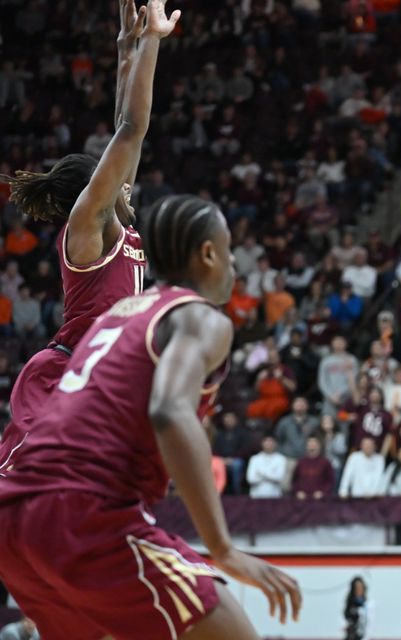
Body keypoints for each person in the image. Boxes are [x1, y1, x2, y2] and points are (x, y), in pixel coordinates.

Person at [0, 194, 301, 639]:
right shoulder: (201, 318)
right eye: (230, 249)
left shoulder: (117, 315)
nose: (235, 264)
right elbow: (169, 410)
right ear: (208, 254)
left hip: (13, 515)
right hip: (83, 511)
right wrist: (222, 548)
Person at [0, 0, 158, 446]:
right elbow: (129, 130)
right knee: (22, 496)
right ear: (95, 197)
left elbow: (128, 130)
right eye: (113, 183)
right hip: (61, 375)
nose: (126, 183)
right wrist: (152, 42)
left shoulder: (119, 224)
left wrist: (127, 50)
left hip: (97, 378)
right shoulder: (89, 227)